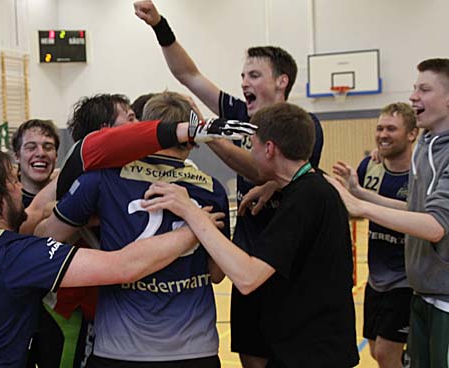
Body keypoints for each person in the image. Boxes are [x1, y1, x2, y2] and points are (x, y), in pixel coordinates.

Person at [134, 0, 324, 368]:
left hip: (287, 266)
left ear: (281, 81)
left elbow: (261, 172)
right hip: (246, 255)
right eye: (243, 75)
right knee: (250, 355)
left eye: (254, 75)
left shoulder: (301, 126)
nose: (244, 82)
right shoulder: (239, 114)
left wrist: (207, 133)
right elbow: (188, 74)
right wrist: (160, 26)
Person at [0, 147, 212, 367]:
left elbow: (36, 211)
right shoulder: (14, 256)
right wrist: (195, 228)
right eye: (14, 182)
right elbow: (124, 266)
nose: (20, 188)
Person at [143, 103, 359, 368]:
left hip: (313, 355)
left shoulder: (306, 199)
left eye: (251, 146)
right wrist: (274, 185)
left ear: (269, 149)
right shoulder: (309, 189)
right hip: (308, 347)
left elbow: (247, 277)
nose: (249, 154)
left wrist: (191, 212)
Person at [37, 92, 232, 367]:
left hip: (120, 348)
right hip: (195, 348)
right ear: (191, 140)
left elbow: (46, 237)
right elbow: (216, 273)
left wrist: (74, 216)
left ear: (145, 131)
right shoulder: (212, 188)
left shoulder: (102, 178)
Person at [329, 59, 449, 368]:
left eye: (424, 89)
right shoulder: (426, 146)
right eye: (414, 88)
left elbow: (436, 225)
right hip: (422, 291)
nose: (413, 96)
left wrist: (361, 206)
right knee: (382, 353)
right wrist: (361, 194)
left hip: (439, 296)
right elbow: (415, 211)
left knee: (386, 353)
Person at [333, 103, 418, 368]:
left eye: (391, 129)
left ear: (412, 134)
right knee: (374, 350)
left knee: (385, 353)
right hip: (377, 279)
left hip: (408, 279)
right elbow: (359, 213)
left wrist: (360, 197)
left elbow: (418, 214)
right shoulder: (370, 167)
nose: (382, 134)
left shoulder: (420, 174)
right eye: (380, 128)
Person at [12, 119, 61, 208]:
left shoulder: (67, 197)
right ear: (17, 156)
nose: (41, 153)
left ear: (56, 156)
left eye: (48, 147)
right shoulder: (6, 201)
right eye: (31, 147)